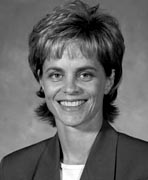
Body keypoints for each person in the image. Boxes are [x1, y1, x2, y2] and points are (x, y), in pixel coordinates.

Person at [1, 0, 148, 179]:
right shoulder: (14, 169)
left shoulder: (143, 164)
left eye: (84, 74)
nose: (70, 88)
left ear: (109, 80)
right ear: (41, 80)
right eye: (56, 75)